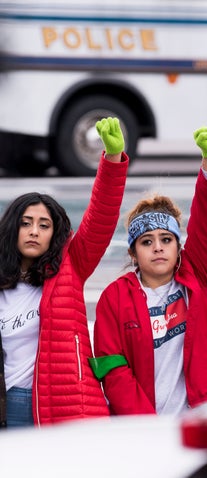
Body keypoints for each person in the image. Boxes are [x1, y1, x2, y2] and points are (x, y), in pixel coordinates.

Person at [92, 127, 207, 416]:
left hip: (199, 416)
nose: (158, 247)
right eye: (147, 242)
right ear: (133, 253)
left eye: (166, 240)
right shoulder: (114, 297)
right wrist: (145, 422)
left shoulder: (195, 277)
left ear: (178, 247)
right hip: (143, 422)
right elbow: (113, 368)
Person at [0, 117, 128, 428]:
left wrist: (112, 159)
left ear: (54, 234)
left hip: (63, 405)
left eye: (44, 225)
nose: (34, 231)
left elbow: (100, 218)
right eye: (26, 222)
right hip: (10, 402)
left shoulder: (70, 267)